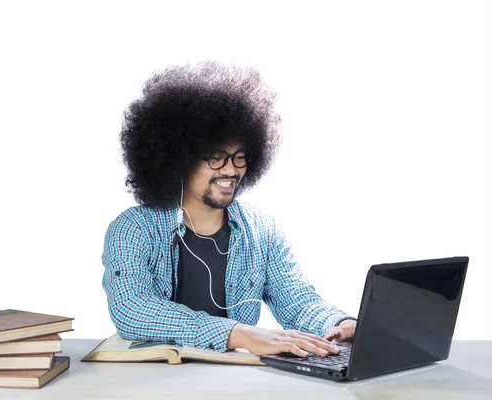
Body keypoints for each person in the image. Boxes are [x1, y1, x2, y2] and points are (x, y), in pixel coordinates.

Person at [101, 61, 356, 357]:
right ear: (178, 158)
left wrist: (341, 323)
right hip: (154, 382)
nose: (230, 170)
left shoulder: (262, 231)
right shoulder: (133, 228)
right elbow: (132, 309)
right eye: (216, 156)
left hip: (235, 383)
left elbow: (297, 301)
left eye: (239, 157)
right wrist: (238, 334)